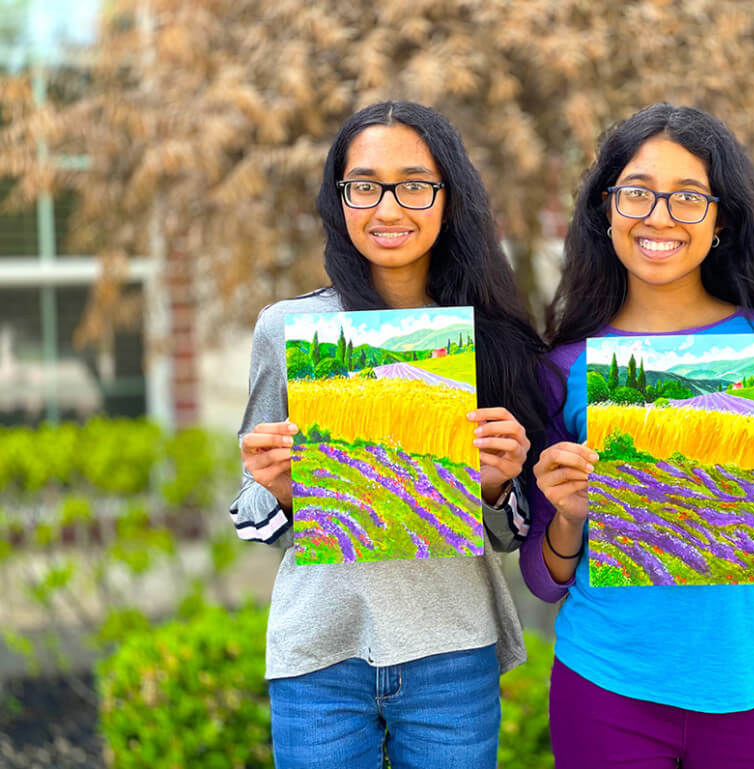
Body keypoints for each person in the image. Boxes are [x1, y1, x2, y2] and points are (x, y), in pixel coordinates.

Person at [520, 103, 754, 769]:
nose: (659, 215)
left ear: (721, 219)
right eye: (638, 193)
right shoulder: (564, 367)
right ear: (607, 210)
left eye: (687, 198)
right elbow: (542, 574)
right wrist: (567, 516)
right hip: (605, 685)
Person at [229, 100, 547, 769]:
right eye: (365, 185)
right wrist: (283, 491)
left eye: (414, 184)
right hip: (320, 652)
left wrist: (495, 483)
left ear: (447, 197)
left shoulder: (490, 340)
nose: (389, 207)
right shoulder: (287, 330)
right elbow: (254, 518)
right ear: (338, 197)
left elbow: (508, 533)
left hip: (452, 653)